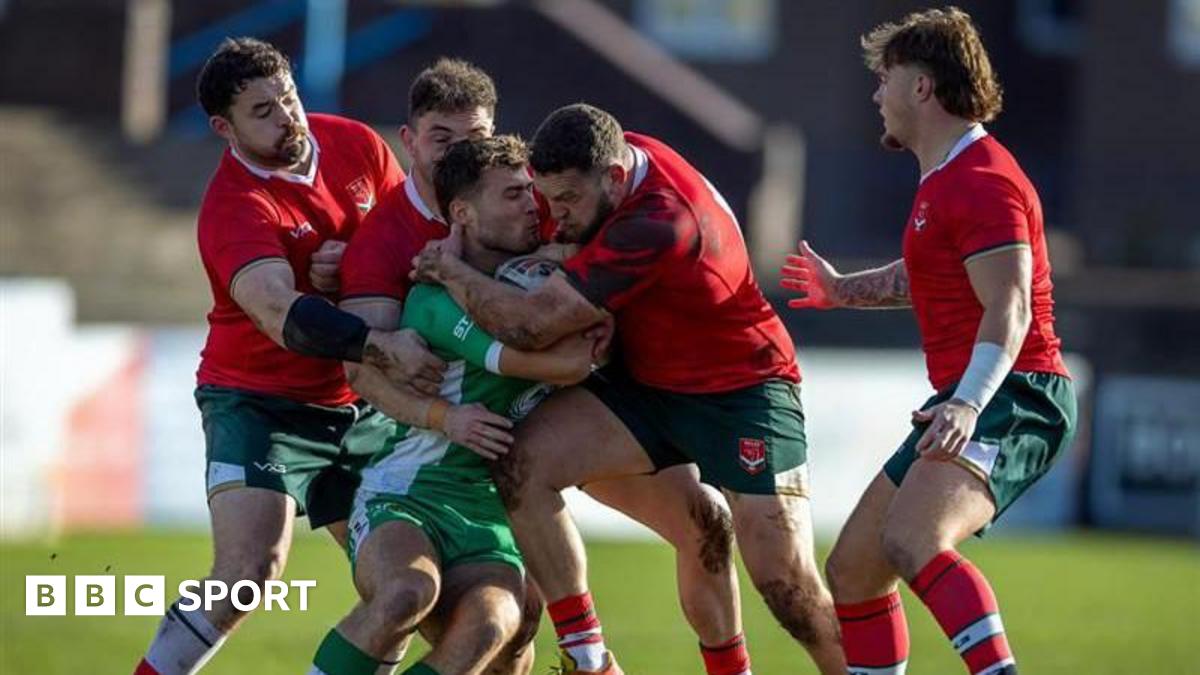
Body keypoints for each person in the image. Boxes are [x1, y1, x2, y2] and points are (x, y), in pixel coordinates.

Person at [340, 60, 747, 675]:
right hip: (436, 471)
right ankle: (589, 656)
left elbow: (604, 245)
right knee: (472, 621)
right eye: (443, 138)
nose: (535, 208)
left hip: (533, 438)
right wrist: (442, 411)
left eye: (475, 136)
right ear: (412, 142)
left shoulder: (533, 204)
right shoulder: (397, 251)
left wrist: (573, 270)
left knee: (706, 520)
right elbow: (365, 370)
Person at [412, 103, 846, 674]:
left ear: (615, 180)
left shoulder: (661, 219)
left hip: (741, 389)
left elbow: (529, 325)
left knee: (785, 580)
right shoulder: (607, 155)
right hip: (645, 384)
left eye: (566, 202)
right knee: (523, 463)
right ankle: (588, 655)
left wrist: (449, 271)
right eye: (546, 198)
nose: (553, 216)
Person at [780, 8, 1077, 675]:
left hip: (1017, 393)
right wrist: (841, 290)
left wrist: (967, 403)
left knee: (914, 537)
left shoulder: (984, 180)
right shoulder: (945, 179)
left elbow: (1011, 306)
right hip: (974, 394)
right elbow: (930, 277)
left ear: (922, 86)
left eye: (886, 78)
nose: (876, 95)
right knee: (854, 567)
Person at [133, 37, 442, 675]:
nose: (287, 119)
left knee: (405, 592)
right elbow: (279, 314)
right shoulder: (233, 206)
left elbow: (407, 245)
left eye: (289, 99)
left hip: (360, 405)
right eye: (263, 112)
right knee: (248, 574)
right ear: (224, 128)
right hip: (259, 403)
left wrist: (358, 262)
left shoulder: (357, 145)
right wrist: (382, 344)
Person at [311, 135, 601, 675]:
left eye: (530, 192)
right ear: (463, 213)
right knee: (405, 592)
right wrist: (581, 348)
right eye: (513, 195)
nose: (530, 205)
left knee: (498, 627)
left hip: (492, 510)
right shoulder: (434, 297)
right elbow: (541, 360)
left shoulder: (539, 283)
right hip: (408, 493)